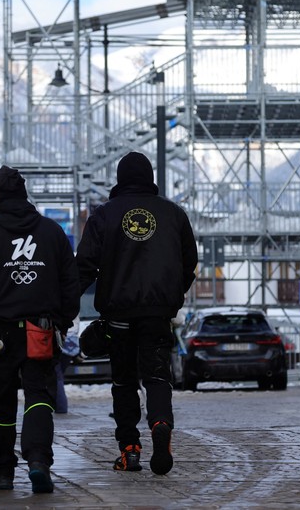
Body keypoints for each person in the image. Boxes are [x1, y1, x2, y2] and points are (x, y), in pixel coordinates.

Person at [76, 151, 197, 476]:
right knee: (158, 376)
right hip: (157, 315)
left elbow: (84, 265)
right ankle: (160, 423)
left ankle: (129, 449)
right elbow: (190, 264)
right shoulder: (174, 214)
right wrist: (173, 295)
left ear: (119, 178)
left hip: (118, 316)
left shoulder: (104, 215)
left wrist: (64, 303)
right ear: (149, 178)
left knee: (124, 383)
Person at [0, 165, 79, 494]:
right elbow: (71, 283)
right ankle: (39, 460)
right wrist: (62, 320)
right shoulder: (52, 232)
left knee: (1, 400)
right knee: (39, 396)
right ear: (24, 194)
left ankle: (1, 471)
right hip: (40, 329)